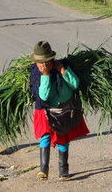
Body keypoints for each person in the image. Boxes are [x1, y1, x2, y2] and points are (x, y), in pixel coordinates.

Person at [29, 40, 89, 180]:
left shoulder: (63, 67)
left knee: (63, 139)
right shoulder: (37, 74)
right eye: (40, 63)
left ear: (52, 60)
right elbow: (43, 96)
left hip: (64, 109)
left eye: (46, 62)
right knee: (45, 136)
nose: (43, 65)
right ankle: (43, 169)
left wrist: (62, 70)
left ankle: (63, 170)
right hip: (45, 110)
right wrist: (45, 75)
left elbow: (75, 84)